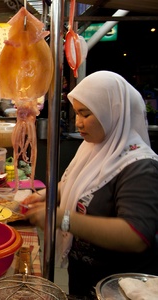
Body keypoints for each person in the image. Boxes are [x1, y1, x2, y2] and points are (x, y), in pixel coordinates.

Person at [23, 71, 158, 298]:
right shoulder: (95, 147)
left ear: (112, 112)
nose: (78, 122)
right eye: (76, 113)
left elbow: (136, 236)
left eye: (86, 114)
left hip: (119, 288)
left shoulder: (140, 166)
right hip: (84, 278)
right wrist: (48, 195)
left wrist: (63, 219)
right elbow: (79, 188)